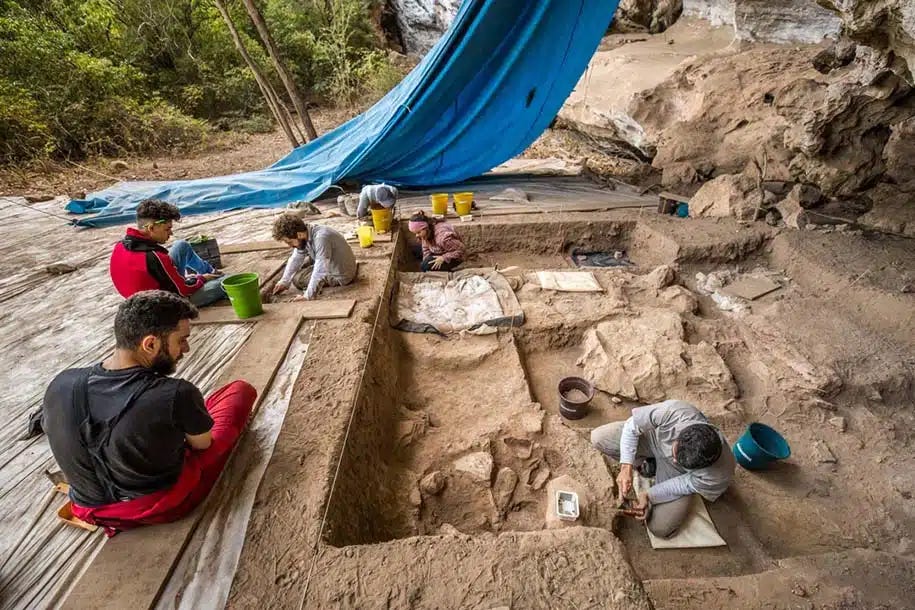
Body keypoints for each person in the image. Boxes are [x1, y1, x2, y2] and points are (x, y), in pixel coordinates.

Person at [40, 291, 257, 535]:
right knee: (239, 392)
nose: (186, 348)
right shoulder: (176, 393)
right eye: (181, 340)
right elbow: (202, 445)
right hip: (157, 507)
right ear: (150, 344)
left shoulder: (61, 383)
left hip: (87, 507)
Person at [591, 400, 735, 538]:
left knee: (659, 527)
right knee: (600, 437)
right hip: (654, 438)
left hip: (677, 474)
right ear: (681, 435)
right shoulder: (676, 413)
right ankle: (648, 463)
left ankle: (653, 466)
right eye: (674, 453)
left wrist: (649, 495)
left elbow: (683, 484)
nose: (673, 459)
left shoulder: (718, 475)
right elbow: (632, 426)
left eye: (680, 461)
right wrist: (626, 466)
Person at [109, 199, 226, 306]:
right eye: (167, 229)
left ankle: (212, 272)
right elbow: (183, 291)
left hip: (140, 296)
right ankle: (216, 277)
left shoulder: (120, 245)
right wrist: (201, 279)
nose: (171, 233)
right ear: (151, 228)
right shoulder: (155, 257)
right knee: (227, 282)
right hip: (161, 305)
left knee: (181, 245)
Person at [270, 214, 357, 300]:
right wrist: (284, 281)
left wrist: (307, 296)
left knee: (297, 278)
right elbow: (296, 258)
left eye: (289, 242)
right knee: (302, 263)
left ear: (299, 235)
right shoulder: (307, 232)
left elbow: (320, 271)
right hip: (335, 262)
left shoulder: (321, 238)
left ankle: (315, 286)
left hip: (341, 275)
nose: (289, 245)